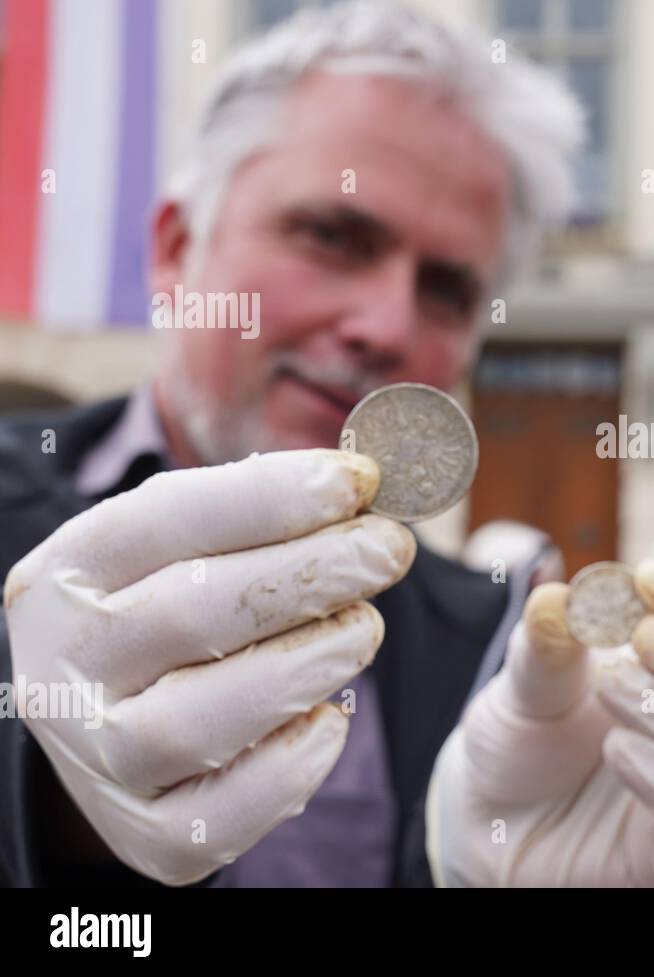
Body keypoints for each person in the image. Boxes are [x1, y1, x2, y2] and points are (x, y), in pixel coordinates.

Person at [0, 0, 582, 887]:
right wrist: (49, 805)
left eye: (447, 290)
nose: (385, 326)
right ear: (175, 250)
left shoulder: (493, 648)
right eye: (333, 236)